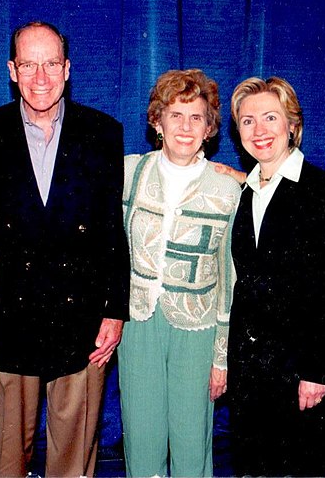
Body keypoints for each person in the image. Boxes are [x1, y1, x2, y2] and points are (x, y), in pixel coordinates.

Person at [0, 21, 130, 477]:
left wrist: (114, 310)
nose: (40, 77)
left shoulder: (103, 132)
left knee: (74, 456)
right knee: (4, 457)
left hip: (81, 318)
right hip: (10, 318)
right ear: (12, 70)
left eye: (50, 64)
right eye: (28, 64)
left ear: (67, 70)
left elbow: (110, 228)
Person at [119, 69, 241, 477]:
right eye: (175, 115)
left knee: (192, 442)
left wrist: (222, 357)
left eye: (196, 117)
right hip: (137, 323)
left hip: (198, 328)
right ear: (157, 121)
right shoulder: (128, 173)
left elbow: (230, 280)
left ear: (209, 128)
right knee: (142, 438)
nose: (185, 127)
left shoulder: (227, 190)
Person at [225, 76, 325, 476]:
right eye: (247, 121)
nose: (259, 131)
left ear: (292, 124)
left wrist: (316, 371)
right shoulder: (246, 192)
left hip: (302, 375)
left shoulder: (321, 189)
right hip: (253, 375)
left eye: (270, 118)